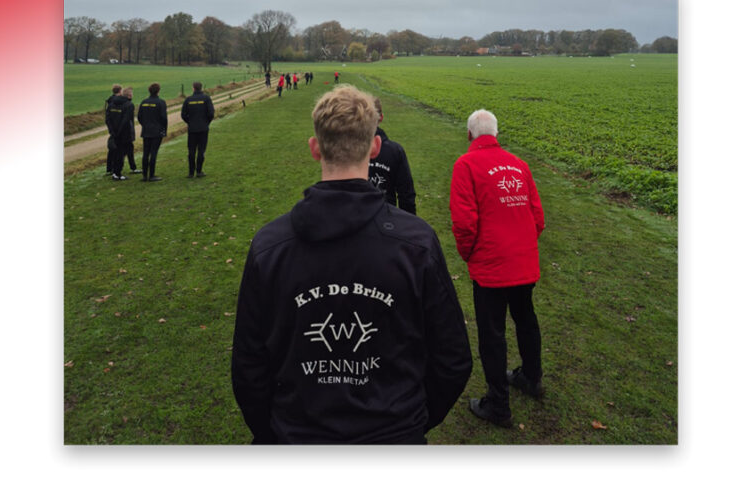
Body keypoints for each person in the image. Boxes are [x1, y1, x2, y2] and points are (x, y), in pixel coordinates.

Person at [232, 85, 472, 445]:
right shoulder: (416, 244)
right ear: (374, 147)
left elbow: (249, 366)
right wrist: (408, 425)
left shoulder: (270, 246)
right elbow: (452, 359)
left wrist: (276, 433)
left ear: (315, 148)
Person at [449, 109, 546, 428]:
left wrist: (470, 255)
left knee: (492, 333)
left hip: (491, 266)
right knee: (525, 319)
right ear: (496, 134)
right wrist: (522, 245)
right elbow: (537, 217)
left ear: (469, 135)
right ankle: (532, 377)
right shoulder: (519, 165)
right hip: (523, 261)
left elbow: (464, 222)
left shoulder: (466, 165)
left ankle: (498, 404)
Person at [368, 97, 417, 214]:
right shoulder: (395, 151)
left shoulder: (347, 149)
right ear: (381, 117)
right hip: (387, 218)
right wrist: (409, 224)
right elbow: (406, 194)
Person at [181, 82, 215, 178]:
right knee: (201, 150)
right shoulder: (206, 98)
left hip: (192, 129)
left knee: (191, 151)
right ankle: (199, 171)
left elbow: (183, 115)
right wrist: (206, 122)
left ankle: (191, 173)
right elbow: (211, 113)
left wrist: (189, 122)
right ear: (201, 88)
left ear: (193, 88)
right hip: (203, 128)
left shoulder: (188, 99)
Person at [137, 82, 168, 182]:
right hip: (157, 131)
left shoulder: (144, 102)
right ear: (158, 91)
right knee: (153, 153)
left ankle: (144, 175)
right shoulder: (161, 102)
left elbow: (139, 117)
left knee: (145, 153)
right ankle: (152, 175)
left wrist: (145, 125)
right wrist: (163, 130)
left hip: (146, 130)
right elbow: (164, 118)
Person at [105, 87, 136, 181]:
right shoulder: (129, 105)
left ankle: (115, 172)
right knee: (121, 153)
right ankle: (117, 173)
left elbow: (108, 119)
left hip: (114, 133)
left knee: (117, 152)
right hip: (124, 133)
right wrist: (119, 132)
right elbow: (126, 120)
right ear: (129, 95)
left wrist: (112, 131)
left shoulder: (111, 104)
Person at [104, 84, 122, 175]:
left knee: (111, 149)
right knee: (116, 149)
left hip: (112, 128)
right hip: (117, 128)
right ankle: (114, 168)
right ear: (120, 91)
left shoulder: (109, 100)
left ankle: (109, 168)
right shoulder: (116, 101)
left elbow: (107, 118)